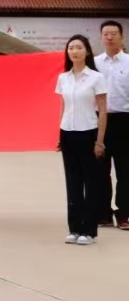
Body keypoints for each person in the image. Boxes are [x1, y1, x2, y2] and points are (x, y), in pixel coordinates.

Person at [57, 34, 108, 245]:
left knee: (91, 182)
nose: (74, 51)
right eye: (71, 48)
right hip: (68, 132)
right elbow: (63, 106)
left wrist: (99, 141)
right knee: (73, 182)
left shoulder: (96, 77)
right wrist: (59, 133)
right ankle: (75, 228)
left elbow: (103, 110)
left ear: (87, 51)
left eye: (79, 47)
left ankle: (89, 230)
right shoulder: (63, 78)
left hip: (88, 132)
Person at [95, 20, 128, 229]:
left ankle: (124, 213)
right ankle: (102, 213)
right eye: (106, 33)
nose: (109, 37)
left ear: (121, 37)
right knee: (100, 170)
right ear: (101, 37)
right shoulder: (94, 63)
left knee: (125, 170)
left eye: (114, 33)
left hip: (125, 120)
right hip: (99, 120)